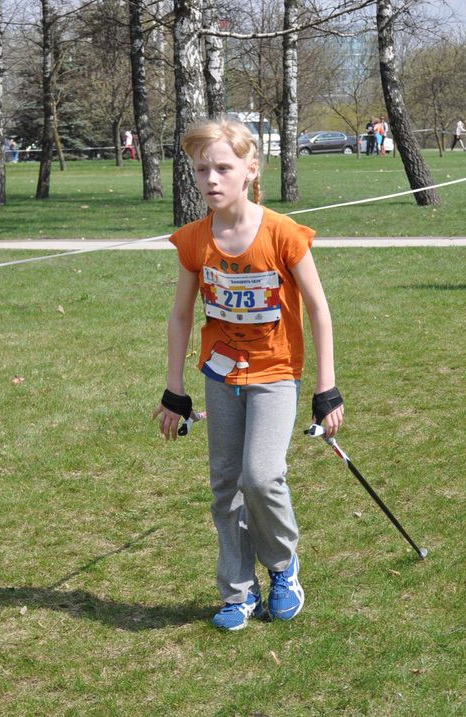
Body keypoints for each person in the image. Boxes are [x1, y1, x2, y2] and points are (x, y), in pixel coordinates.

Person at [154, 116, 344, 632]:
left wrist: (326, 387)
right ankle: (238, 592)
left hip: (276, 372)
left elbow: (319, 309)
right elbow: (181, 316)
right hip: (221, 376)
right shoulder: (194, 241)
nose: (211, 179)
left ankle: (283, 566)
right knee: (225, 484)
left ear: (251, 170)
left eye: (223, 168)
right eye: (202, 170)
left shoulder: (282, 234)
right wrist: (175, 389)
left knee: (261, 476)